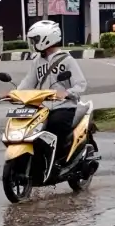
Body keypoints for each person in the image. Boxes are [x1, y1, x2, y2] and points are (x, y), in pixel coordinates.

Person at [15, 20, 89, 162]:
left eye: (35, 39)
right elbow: (28, 81)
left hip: (64, 106)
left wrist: (67, 93)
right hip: (43, 106)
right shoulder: (37, 61)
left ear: (46, 39)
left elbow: (81, 84)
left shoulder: (67, 60)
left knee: (56, 125)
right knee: (26, 125)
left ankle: (60, 159)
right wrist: (17, 93)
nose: (33, 43)